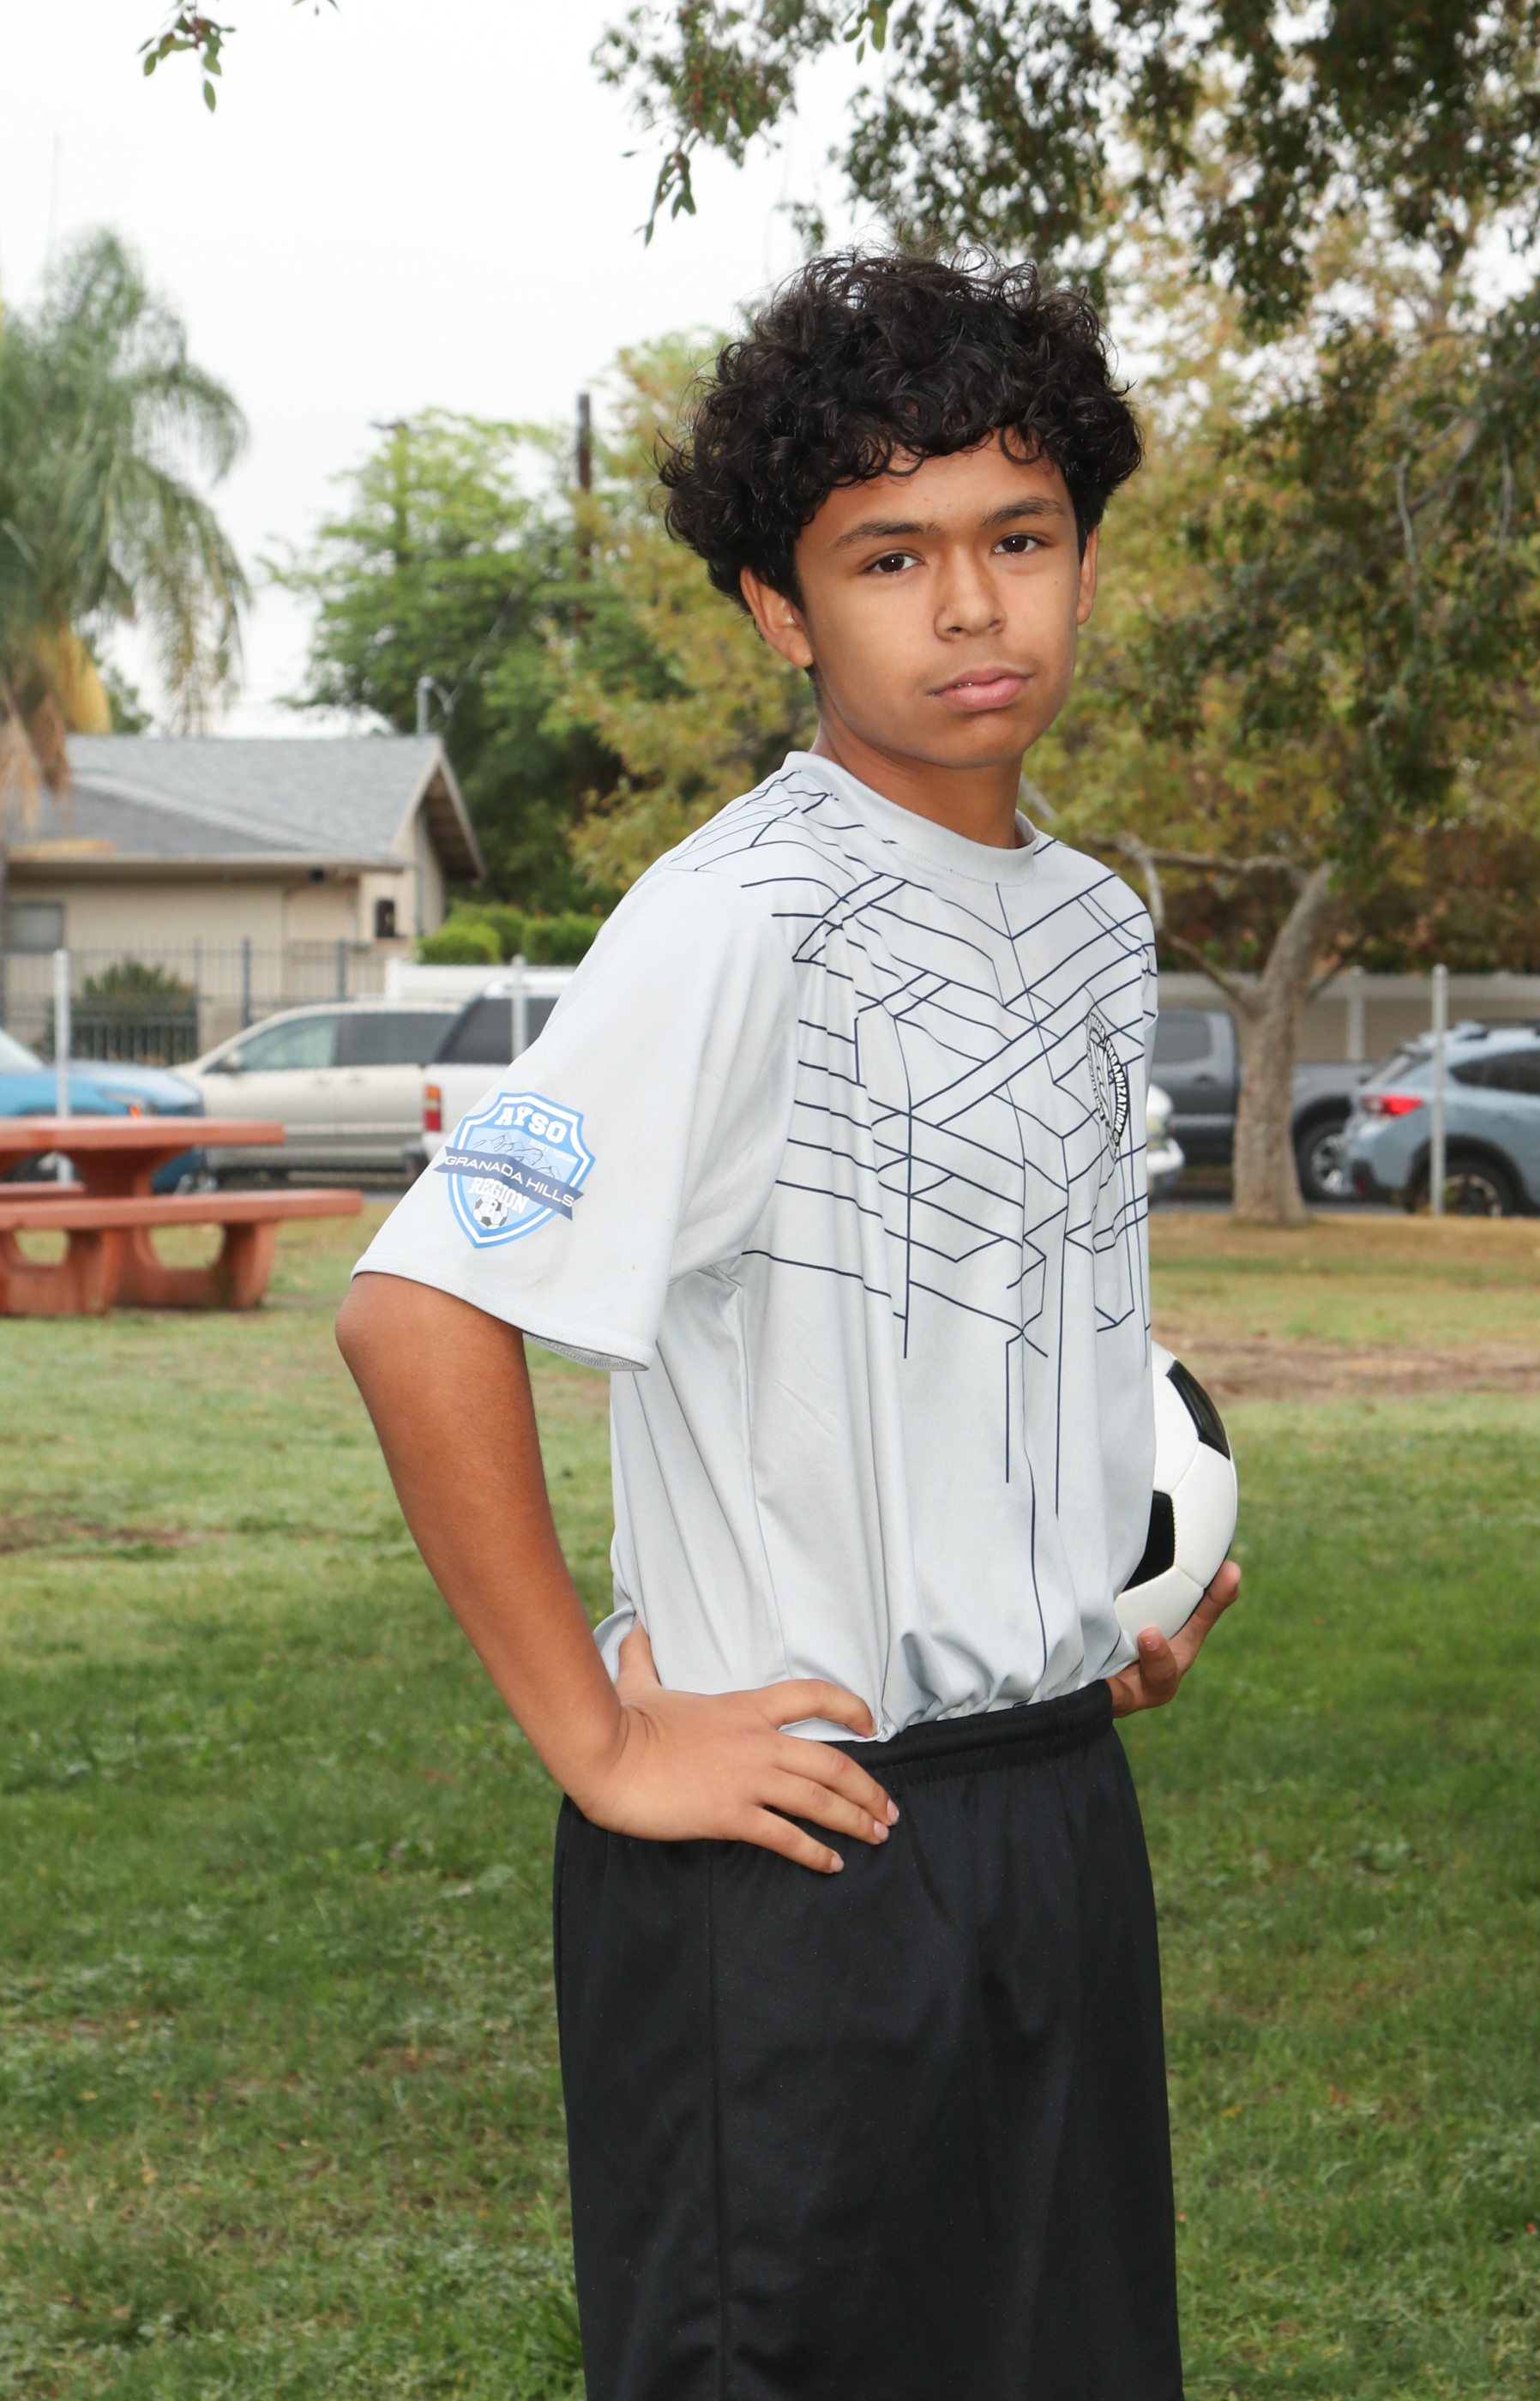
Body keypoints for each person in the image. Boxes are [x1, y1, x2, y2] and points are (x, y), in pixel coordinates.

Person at [336, 249, 1240, 2401]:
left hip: (1053, 1814)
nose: (971, 605)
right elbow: (416, 1307)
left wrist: (1094, 1589)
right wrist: (600, 1734)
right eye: (888, 555)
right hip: (801, 1852)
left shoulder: (1092, 924)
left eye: (1020, 536)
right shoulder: (735, 919)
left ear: (1083, 555)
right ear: (778, 606)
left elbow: (1025, 1303)